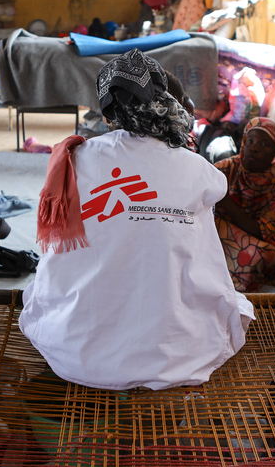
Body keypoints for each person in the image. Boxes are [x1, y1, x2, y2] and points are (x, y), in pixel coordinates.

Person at [19, 48, 254, 391]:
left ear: (108, 115)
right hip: (176, 356)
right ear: (166, 104)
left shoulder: (74, 159)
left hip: (74, 350)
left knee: (53, 281)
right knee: (203, 272)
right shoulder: (198, 169)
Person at [214, 118, 275, 292]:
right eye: (250, 141)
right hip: (226, 232)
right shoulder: (228, 168)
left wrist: (224, 201)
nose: (254, 148)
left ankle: (238, 294)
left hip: (260, 242)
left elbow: (264, 233)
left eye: (264, 145)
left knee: (261, 255)